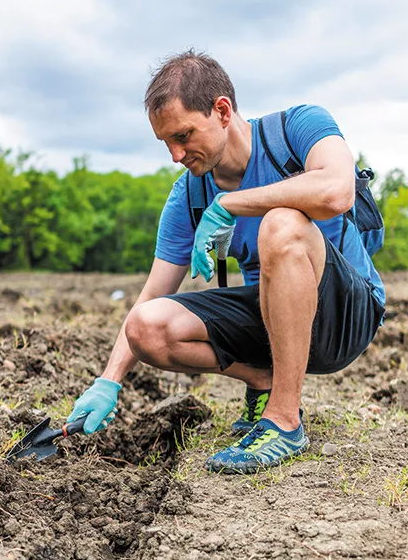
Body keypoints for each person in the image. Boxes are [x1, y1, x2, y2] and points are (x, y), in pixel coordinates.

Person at [67, 50, 386, 473]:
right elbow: (151, 294)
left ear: (222, 110)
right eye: (166, 143)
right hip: (273, 317)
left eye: (183, 136)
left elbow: (336, 191)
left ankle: (284, 421)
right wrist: (108, 380)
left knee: (282, 224)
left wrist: (233, 204)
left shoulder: (298, 128)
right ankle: (261, 380)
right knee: (146, 324)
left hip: (345, 315)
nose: (176, 156)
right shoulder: (188, 196)